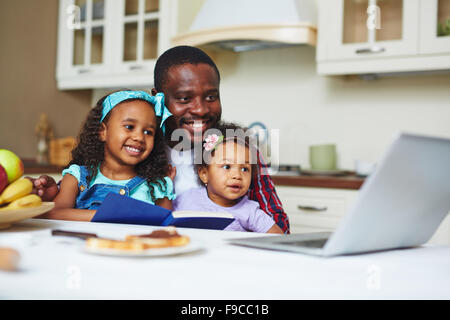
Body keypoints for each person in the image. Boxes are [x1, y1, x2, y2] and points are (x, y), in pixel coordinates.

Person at [31, 45, 290, 233]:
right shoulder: (140, 149)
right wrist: (53, 190)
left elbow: (278, 223)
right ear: (160, 97)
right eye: (185, 98)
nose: (201, 109)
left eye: (211, 96)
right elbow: (95, 184)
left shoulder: (234, 149)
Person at [39, 90, 175, 221]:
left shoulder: (156, 185)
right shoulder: (77, 177)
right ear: (102, 132)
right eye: (129, 127)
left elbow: (166, 224)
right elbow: (54, 213)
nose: (139, 137)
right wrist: (110, 216)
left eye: (148, 132)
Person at [174, 122, 283, 234]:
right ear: (204, 174)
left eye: (245, 169)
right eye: (227, 166)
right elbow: (166, 222)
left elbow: (277, 236)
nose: (237, 175)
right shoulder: (188, 199)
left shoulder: (250, 211)